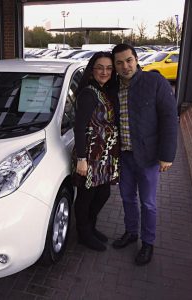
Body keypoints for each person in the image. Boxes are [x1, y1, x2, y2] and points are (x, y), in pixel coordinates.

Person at [111, 43, 178, 265]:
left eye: (128, 60)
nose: (125, 66)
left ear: (136, 59)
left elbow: (169, 118)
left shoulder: (154, 82)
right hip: (125, 156)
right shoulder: (114, 87)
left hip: (148, 157)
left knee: (148, 203)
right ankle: (131, 233)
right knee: (127, 197)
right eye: (119, 62)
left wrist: (167, 155)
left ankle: (148, 242)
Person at [72, 52, 120, 252]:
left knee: (103, 193)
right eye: (100, 67)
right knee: (86, 196)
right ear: (92, 70)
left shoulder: (105, 90)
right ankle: (84, 234)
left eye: (109, 68)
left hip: (104, 155)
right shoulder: (88, 93)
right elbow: (79, 127)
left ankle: (90, 227)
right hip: (90, 155)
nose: (104, 72)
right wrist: (82, 159)